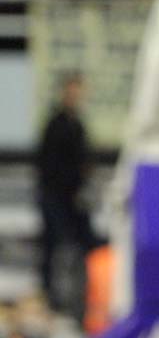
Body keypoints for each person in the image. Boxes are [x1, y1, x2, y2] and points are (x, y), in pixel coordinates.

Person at [36, 72, 94, 323]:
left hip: (74, 200)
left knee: (83, 249)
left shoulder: (78, 125)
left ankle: (80, 301)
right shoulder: (55, 125)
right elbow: (49, 165)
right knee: (53, 250)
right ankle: (51, 300)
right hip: (55, 198)